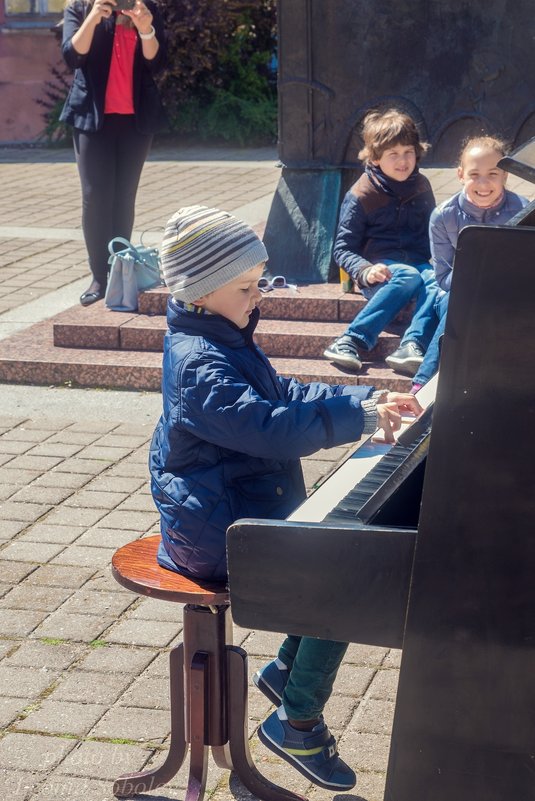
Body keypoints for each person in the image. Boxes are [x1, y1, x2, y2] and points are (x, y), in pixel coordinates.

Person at [149, 205, 422, 792]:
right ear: (200, 292)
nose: (258, 297)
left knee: (342, 547)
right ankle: (297, 722)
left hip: (234, 511)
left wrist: (362, 402)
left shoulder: (221, 335)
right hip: (214, 537)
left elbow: (283, 391)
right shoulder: (201, 362)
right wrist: (356, 418)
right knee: (345, 575)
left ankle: (284, 671)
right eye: (246, 287)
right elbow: (266, 425)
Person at [60, 0, 167, 306]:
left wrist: (146, 28)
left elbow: (157, 63)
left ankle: (120, 270)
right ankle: (98, 276)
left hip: (135, 120)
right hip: (92, 119)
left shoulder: (147, 8)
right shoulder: (80, 8)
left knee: (123, 195)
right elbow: (72, 56)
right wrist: (94, 17)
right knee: (95, 196)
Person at [324, 108, 441, 377]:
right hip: (380, 273)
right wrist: (364, 270)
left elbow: (434, 233)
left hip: (418, 266)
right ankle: (350, 340)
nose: (403, 161)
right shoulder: (362, 193)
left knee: (436, 279)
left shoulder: (421, 186)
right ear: (376, 159)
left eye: (408, 152)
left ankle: (412, 344)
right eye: (393, 154)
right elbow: (342, 248)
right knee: (407, 275)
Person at [411, 135, 528, 391]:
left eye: (493, 174)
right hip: (458, 294)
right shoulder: (443, 216)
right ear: (461, 174)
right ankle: (423, 384)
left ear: (505, 176)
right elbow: (442, 278)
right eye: (474, 174)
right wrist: (476, 275)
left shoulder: (524, 208)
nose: (483, 183)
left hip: (507, 295)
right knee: (459, 303)